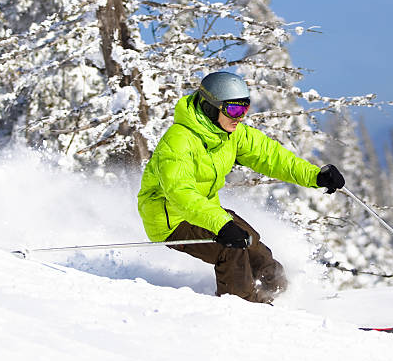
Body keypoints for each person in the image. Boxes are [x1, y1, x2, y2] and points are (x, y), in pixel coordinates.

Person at [137, 71, 345, 303]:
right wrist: (221, 224)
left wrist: (315, 177)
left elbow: (271, 157)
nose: (240, 117)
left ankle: (284, 296)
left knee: (251, 242)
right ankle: (243, 308)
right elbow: (180, 193)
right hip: (171, 220)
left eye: (244, 109)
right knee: (231, 248)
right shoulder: (178, 142)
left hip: (202, 210)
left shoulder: (231, 134)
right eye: (234, 110)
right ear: (210, 107)